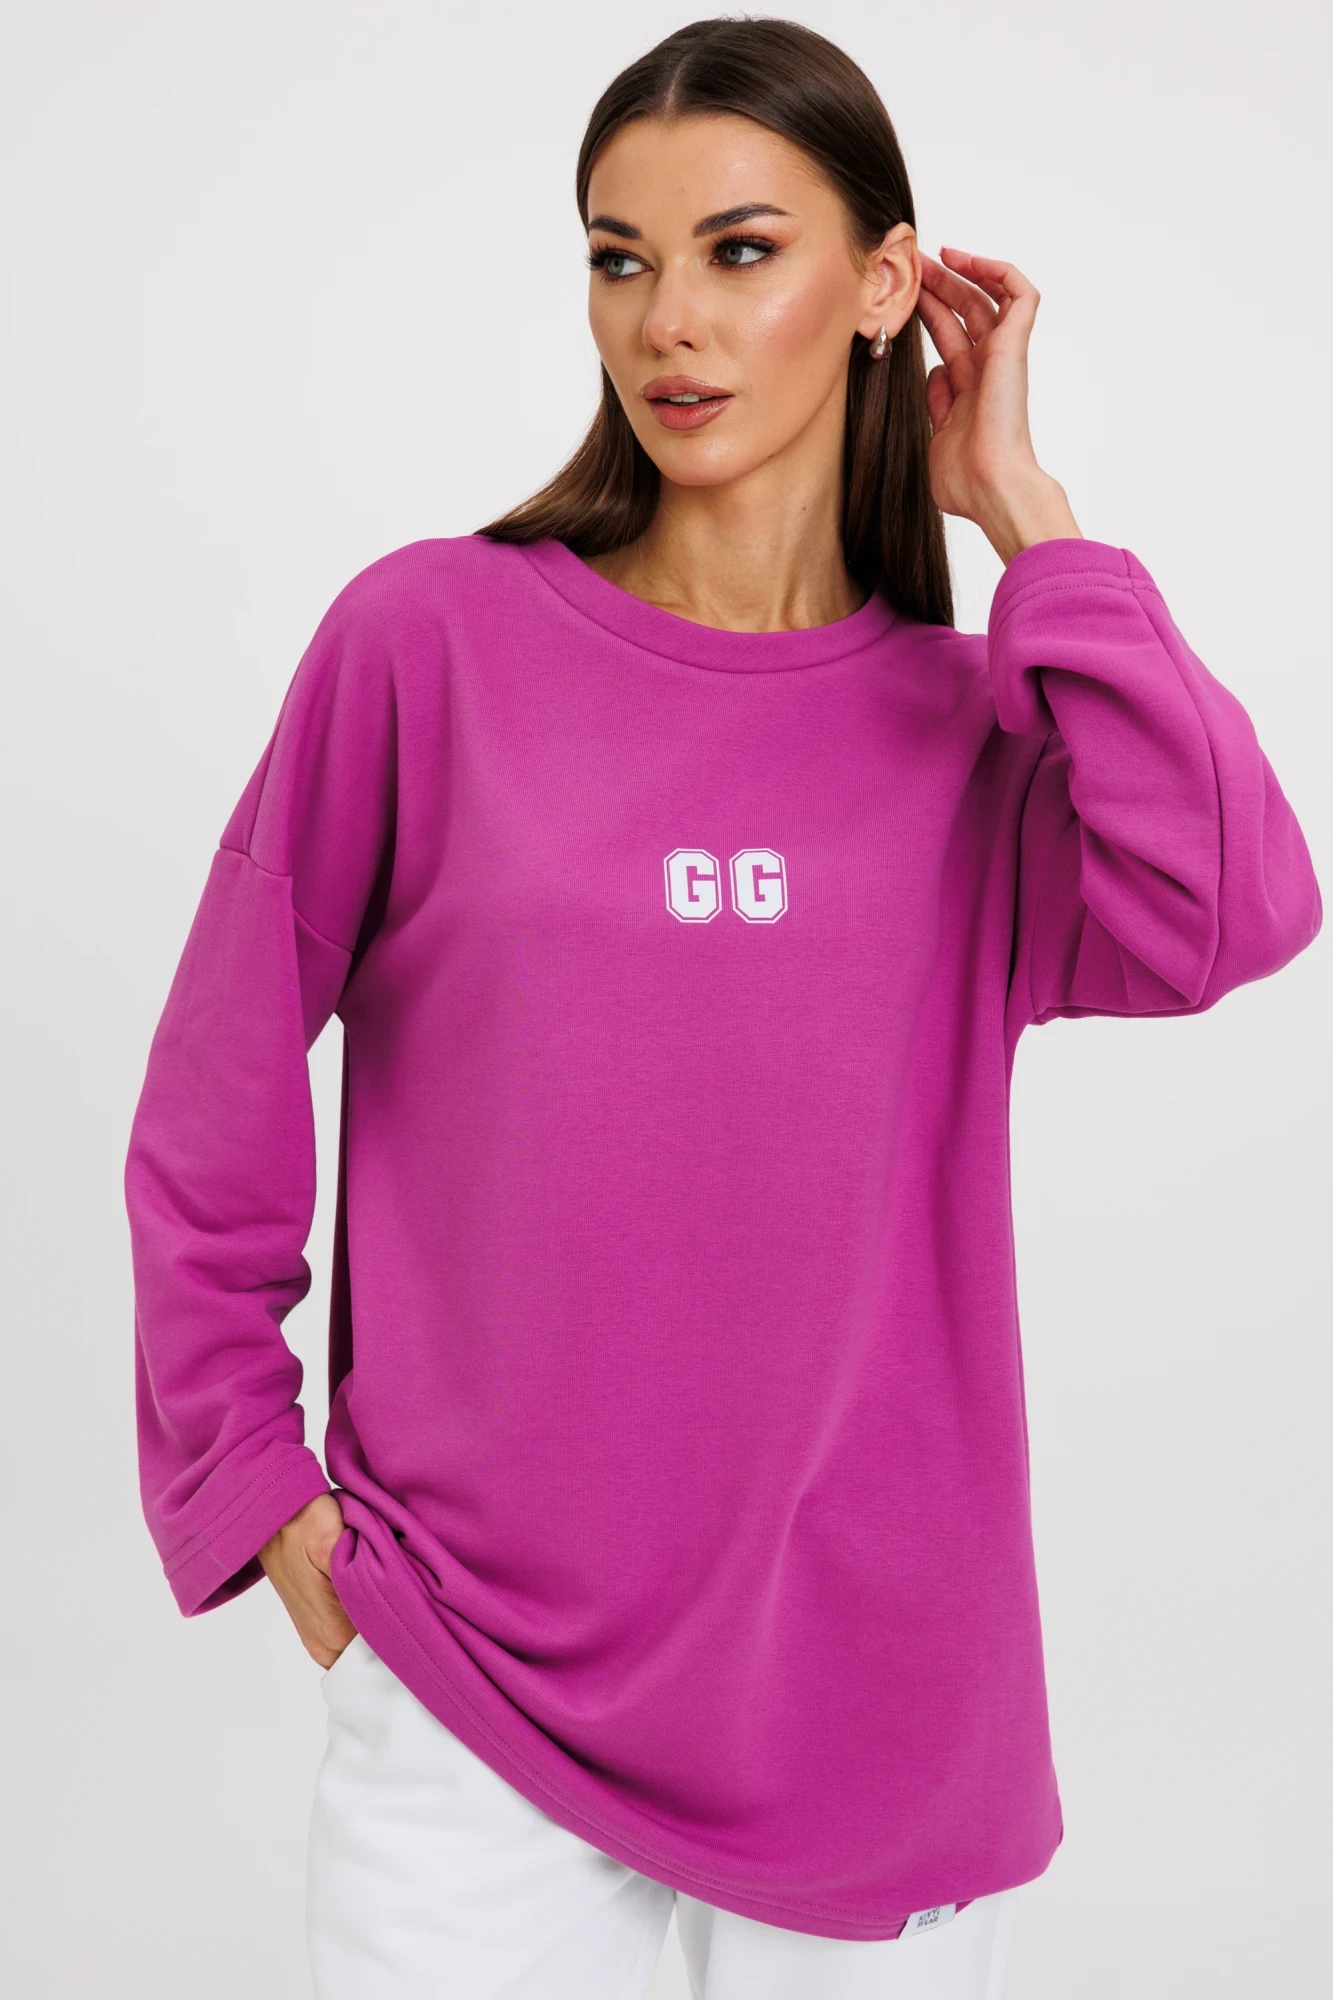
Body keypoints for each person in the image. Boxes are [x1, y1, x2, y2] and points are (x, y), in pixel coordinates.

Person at [123, 16, 1322, 1999]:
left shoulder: (972, 730)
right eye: (621, 258)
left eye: (741, 252)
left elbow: (1235, 909)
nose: (666, 321)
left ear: (885, 286)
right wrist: (259, 1496)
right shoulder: (432, 643)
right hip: (474, 1679)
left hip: (879, 1696)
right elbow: (213, 1092)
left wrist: (1028, 510)